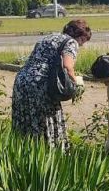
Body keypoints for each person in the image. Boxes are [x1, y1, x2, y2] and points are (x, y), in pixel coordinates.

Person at [11, 19, 91, 150]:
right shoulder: (71, 42)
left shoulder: (48, 37)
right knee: (47, 119)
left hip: (22, 81)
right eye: (83, 41)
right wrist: (76, 83)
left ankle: (24, 152)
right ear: (80, 36)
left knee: (26, 119)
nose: (81, 45)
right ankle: (48, 153)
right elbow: (67, 66)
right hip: (40, 84)